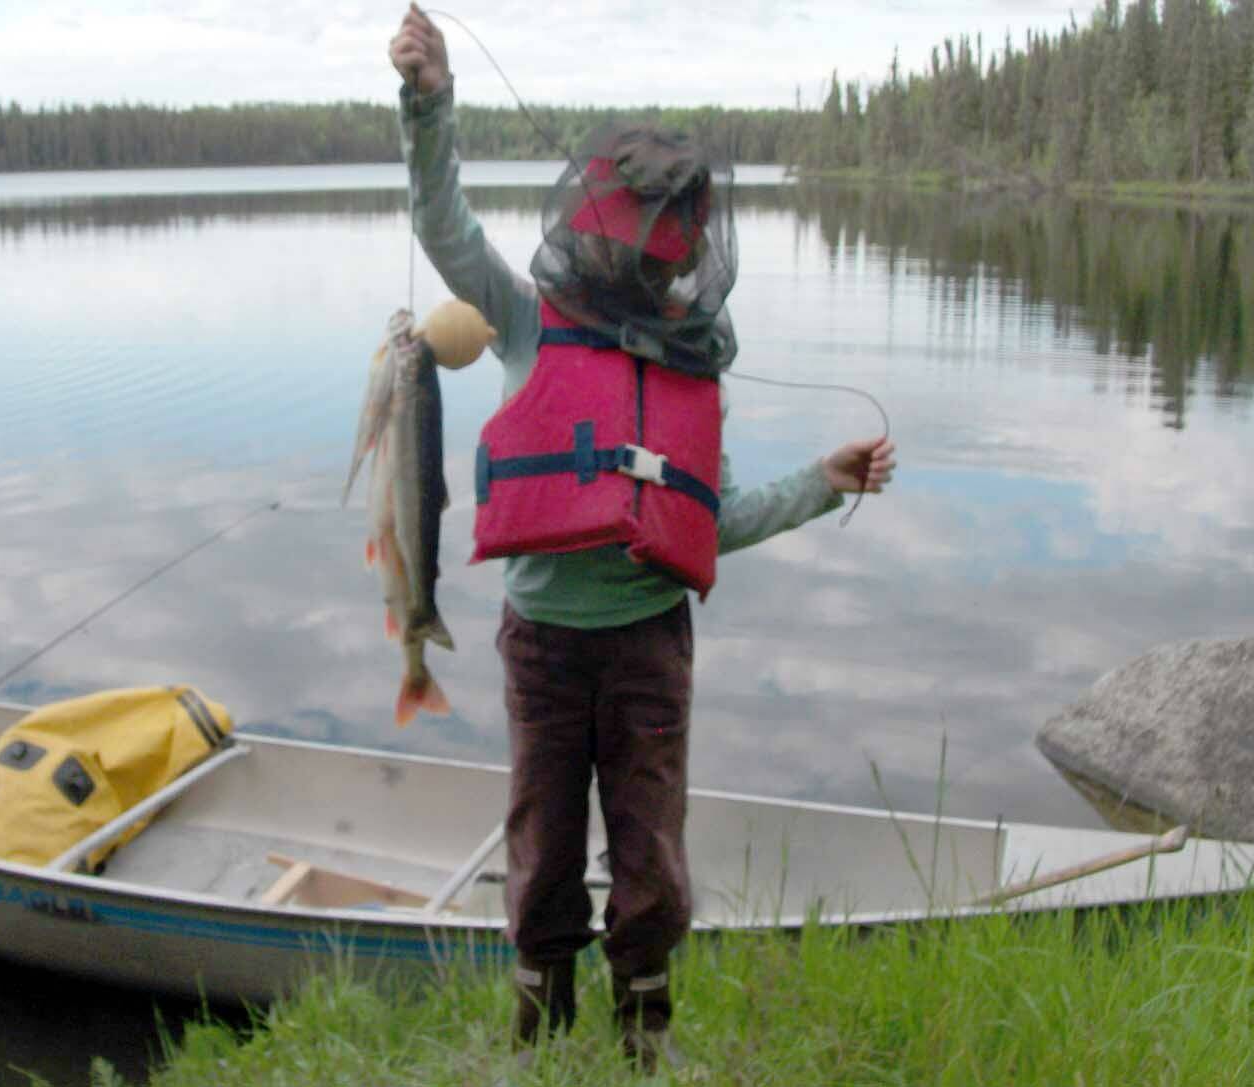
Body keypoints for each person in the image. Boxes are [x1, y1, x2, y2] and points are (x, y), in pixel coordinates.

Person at [388, 4, 897, 1072]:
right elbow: (444, 230)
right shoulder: (526, 322)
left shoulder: (685, 364)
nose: (659, 269)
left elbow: (711, 517)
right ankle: (537, 1029)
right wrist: (428, 102)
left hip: (650, 643)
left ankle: (642, 1039)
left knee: (651, 853)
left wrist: (820, 482)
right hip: (542, 642)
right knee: (544, 852)